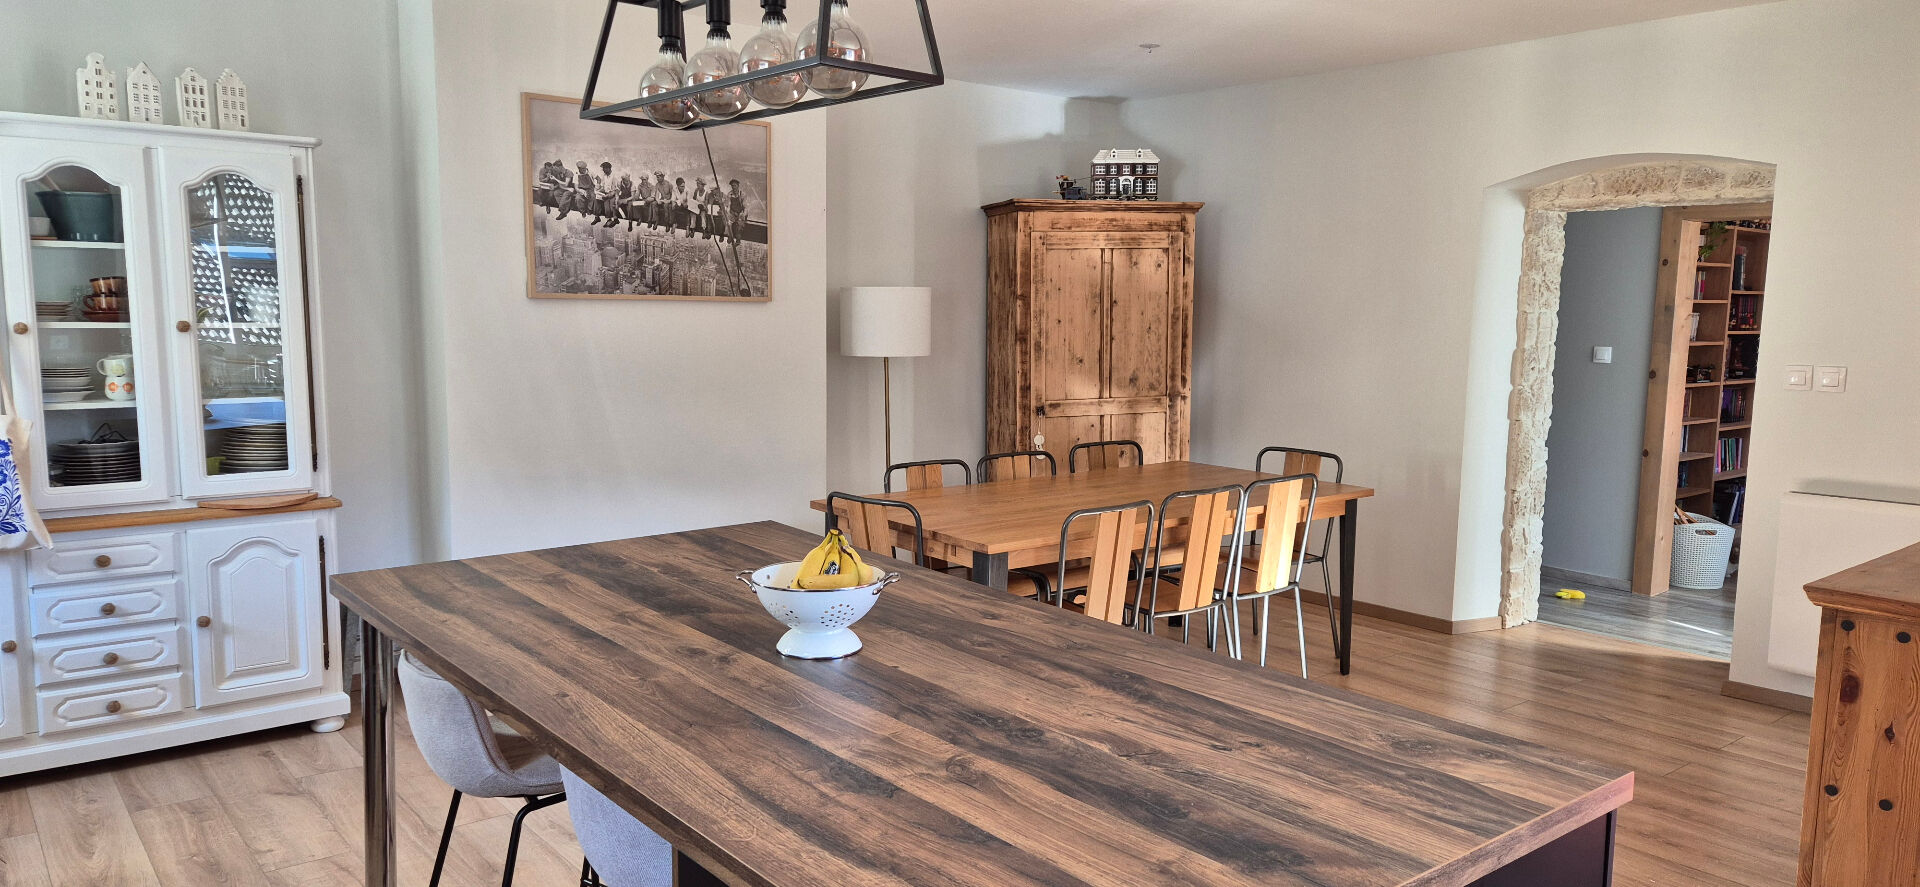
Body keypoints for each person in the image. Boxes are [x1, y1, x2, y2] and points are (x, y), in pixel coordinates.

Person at [725, 179, 746, 247]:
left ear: (738, 186)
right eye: (732, 186)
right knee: (728, 222)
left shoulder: (742, 194)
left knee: (739, 225)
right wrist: (729, 213)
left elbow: (745, 206)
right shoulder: (729, 194)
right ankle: (730, 236)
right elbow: (728, 206)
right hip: (732, 212)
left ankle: (738, 240)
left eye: (735, 186)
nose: (733, 187)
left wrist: (743, 214)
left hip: (740, 213)